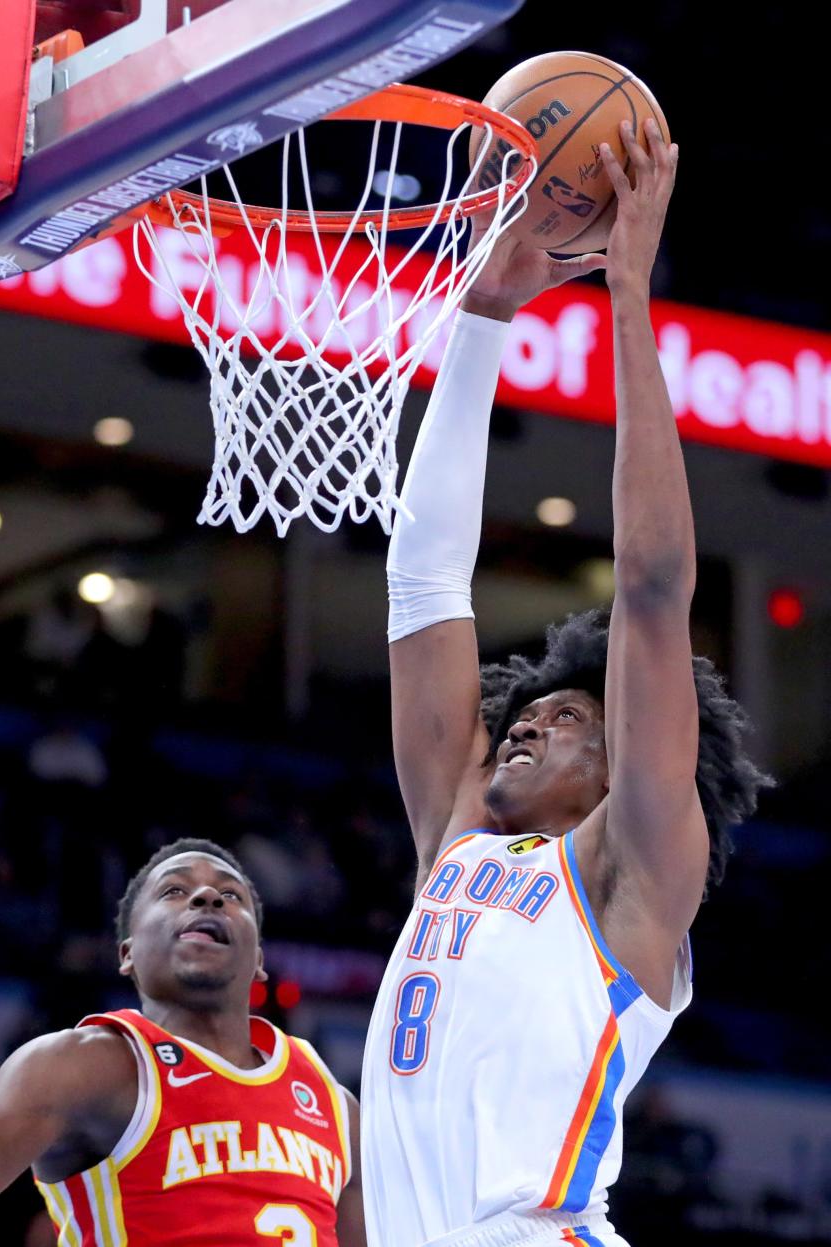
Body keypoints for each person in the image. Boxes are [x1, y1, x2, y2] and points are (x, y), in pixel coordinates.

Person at [360, 119, 770, 1247]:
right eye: (533, 707)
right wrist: (483, 317)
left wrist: (627, 296)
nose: (533, 713)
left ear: (622, 766)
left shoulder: (631, 870)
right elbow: (423, 579)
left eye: (573, 714)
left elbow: (649, 585)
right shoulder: (456, 833)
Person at [0, 839, 365, 1247]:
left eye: (230, 895)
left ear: (258, 958)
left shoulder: (333, 1104)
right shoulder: (89, 1063)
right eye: (174, 890)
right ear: (127, 954)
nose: (207, 898)